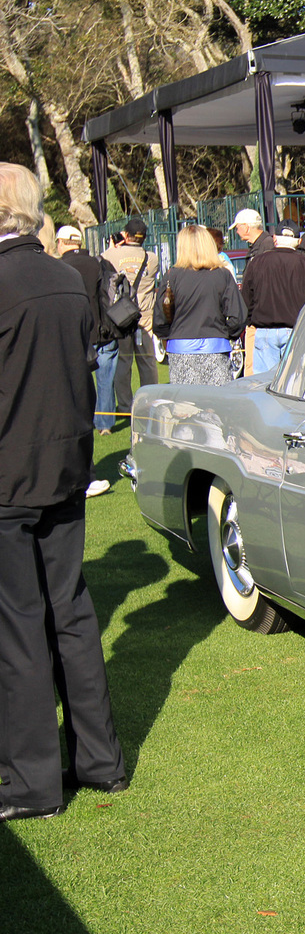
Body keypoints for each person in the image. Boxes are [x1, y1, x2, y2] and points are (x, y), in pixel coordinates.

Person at [0, 163, 128, 823]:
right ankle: (98, 761)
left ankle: (31, 783)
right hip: (63, 468)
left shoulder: (35, 278)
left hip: (13, 477)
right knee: (70, 613)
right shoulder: (64, 276)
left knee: (22, 626)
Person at [155, 224, 247, 386]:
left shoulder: (172, 276)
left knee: (185, 406)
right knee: (216, 405)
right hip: (215, 348)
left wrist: (173, 335)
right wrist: (224, 333)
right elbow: (238, 316)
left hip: (181, 349)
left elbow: (159, 319)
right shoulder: (222, 275)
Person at [54, 225, 117, 442]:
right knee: (105, 380)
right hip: (105, 330)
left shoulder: (58, 267)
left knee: (76, 382)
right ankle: (105, 423)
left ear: (61, 243)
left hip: (76, 333)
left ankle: (81, 420)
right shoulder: (100, 263)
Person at [242, 220, 305, 373]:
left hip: (264, 330)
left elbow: (246, 297)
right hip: (295, 330)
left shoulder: (257, 262)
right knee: (292, 384)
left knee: (263, 384)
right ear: (299, 241)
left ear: (275, 239)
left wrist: (251, 320)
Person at [101, 218, 159, 424]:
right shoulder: (151, 258)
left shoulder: (111, 255)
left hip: (122, 316)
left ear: (125, 235)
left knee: (123, 362)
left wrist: (113, 247)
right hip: (144, 316)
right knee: (147, 361)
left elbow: (104, 266)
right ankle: (151, 402)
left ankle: (125, 406)